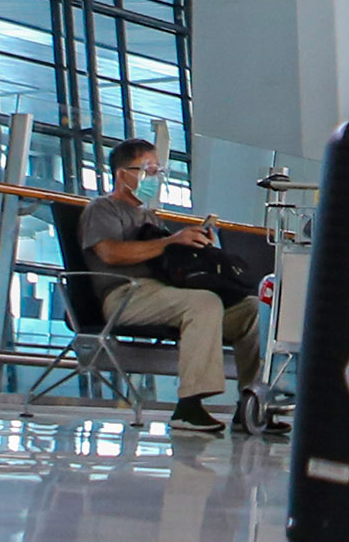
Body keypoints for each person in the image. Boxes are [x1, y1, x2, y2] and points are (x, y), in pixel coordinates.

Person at [63, 134, 259, 433]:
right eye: (148, 170)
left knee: (252, 309)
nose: (155, 177)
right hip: (125, 294)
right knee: (203, 303)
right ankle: (188, 406)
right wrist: (171, 241)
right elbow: (109, 253)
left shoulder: (149, 217)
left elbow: (167, 257)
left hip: (166, 295)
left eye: (159, 171)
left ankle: (253, 404)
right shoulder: (102, 209)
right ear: (122, 174)